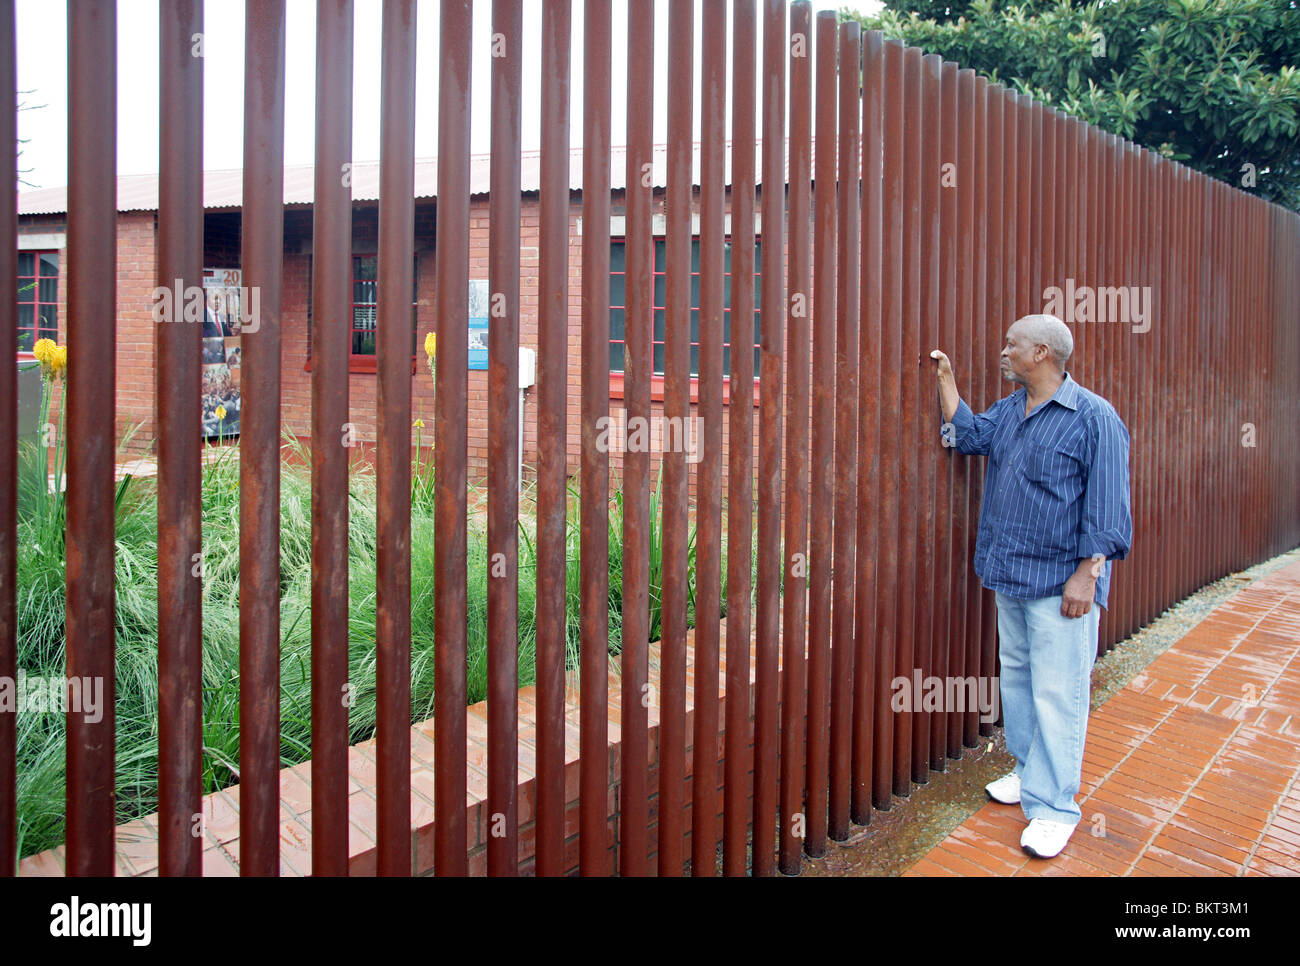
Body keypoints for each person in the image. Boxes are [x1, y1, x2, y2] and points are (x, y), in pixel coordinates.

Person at [930, 313, 1132, 859]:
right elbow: (968, 437)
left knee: (1059, 693)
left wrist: (1087, 577)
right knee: (1018, 682)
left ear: (1040, 353)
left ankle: (1055, 807)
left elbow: (1109, 506)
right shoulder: (1012, 410)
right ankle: (1027, 772)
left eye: (1011, 344)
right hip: (1010, 575)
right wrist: (946, 379)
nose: (1003, 352)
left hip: (1061, 584)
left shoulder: (1094, 418)